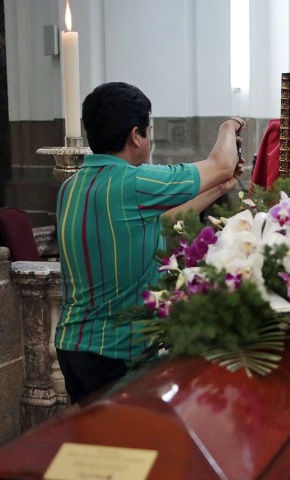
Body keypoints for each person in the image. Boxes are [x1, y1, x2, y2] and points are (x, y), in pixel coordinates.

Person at [55, 82, 245, 404]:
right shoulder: (133, 182)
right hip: (113, 351)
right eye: (149, 130)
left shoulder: (71, 185)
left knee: (97, 445)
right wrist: (230, 125)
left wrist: (219, 187)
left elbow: (161, 219)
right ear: (135, 135)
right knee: (131, 448)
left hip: (73, 346)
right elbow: (221, 162)